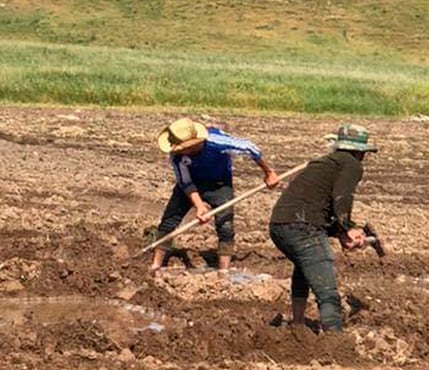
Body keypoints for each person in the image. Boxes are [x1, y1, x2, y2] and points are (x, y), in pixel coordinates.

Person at [269, 123, 377, 333]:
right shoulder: (352, 165)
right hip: (302, 227)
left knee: (305, 267)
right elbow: (342, 197)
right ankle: (335, 339)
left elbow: (318, 206)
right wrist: (348, 227)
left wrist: (340, 232)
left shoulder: (322, 164)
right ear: (359, 152)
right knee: (326, 289)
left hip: (279, 225)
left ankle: (298, 325)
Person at [150, 117, 279, 274]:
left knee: (225, 226)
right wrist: (199, 206)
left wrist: (269, 173)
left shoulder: (217, 141)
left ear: (195, 143)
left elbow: (250, 148)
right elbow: (185, 182)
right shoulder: (177, 155)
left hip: (219, 184)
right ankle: (156, 265)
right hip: (192, 185)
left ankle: (223, 271)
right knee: (169, 222)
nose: (181, 151)